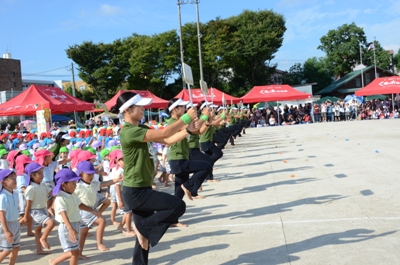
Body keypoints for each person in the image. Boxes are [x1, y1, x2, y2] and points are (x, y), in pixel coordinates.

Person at [110, 92, 194, 264]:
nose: (143, 109)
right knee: (177, 206)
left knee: (142, 245)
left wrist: (187, 130)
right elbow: (165, 133)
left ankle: (143, 235)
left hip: (143, 188)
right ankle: (143, 228)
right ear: (127, 110)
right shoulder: (128, 132)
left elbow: (168, 140)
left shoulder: (142, 129)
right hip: (135, 190)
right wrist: (185, 118)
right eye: (139, 106)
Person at [50, 169, 99, 265]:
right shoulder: (60, 198)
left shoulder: (72, 194)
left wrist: (93, 211)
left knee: (75, 252)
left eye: (75, 183)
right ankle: (54, 262)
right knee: (72, 252)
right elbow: (62, 213)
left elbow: (80, 205)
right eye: (73, 184)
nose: (75, 185)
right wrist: (70, 228)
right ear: (64, 185)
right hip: (66, 227)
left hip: (74, 225)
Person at [23, 162, 56, 255]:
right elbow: (28, 204)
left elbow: (53, 193)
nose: (42, 175)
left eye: (42, 172)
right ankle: (43, 238)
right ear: (32, 176)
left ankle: (39, 250)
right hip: (35, 212)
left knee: (38, 230)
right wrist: (26, 216)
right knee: (51, 223)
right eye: (39, 173)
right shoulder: (30, 188)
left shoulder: (43, 185)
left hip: (43, 209)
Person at [0, 169, 20, 265]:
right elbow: (1, 214)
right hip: (6, 226)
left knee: (15, 248)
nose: (15, 180)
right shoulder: (3, 196)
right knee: (7, 250)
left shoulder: (15, 193)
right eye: (12, 178)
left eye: (15, 178)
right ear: (3, 182)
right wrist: (6, 231)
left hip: (15, 224)